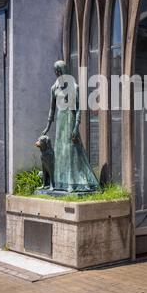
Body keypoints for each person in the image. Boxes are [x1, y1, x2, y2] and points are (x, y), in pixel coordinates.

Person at [42, 60, 99, 193]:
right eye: (56, 72)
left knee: (72, 152)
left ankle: (74, 183)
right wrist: (47, 127)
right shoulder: (53, 88)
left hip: (71, 120)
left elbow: (79, 108)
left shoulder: (74, 87)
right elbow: (52, 109)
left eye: (59, 71)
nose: (57, 74)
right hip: (60, 122)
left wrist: (76, 126)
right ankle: (61, 182)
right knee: (61, 152)